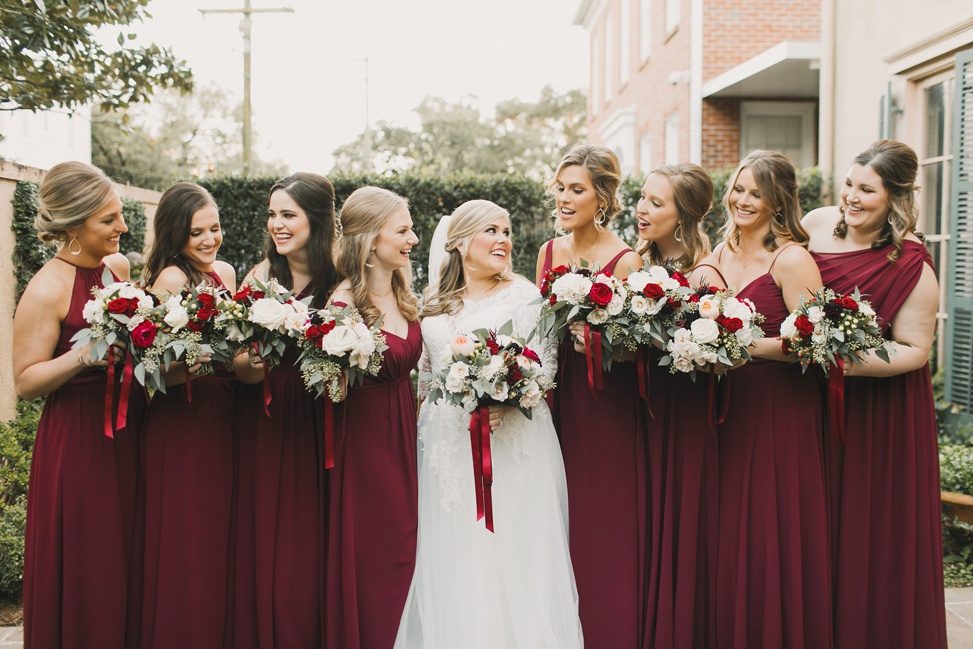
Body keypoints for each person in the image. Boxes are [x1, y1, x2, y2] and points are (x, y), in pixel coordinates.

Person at [395, 200, 583, 648]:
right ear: (460, 243)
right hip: (445, 448)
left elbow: (546, 367)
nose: (504, 239)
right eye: (491, 231)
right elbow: (422, 377)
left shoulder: (524, 296)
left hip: (508, 444)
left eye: (506, 231)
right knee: (454, 555)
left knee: (508, 553)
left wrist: (510, 399)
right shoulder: (432, 303)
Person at [803, 140, 946, 648]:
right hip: (804, 402)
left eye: (867, 190)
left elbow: (915, 350)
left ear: (895, 199)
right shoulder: (816, 224)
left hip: (877, 412)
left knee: (865, 531)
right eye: (849, 184)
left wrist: (841, 359)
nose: (852, 198)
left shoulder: (911, 264)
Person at [15, 161, 146, 648]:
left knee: (125, 557)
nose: (122, 227)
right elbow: (26, 382)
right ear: (74, 224)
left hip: (128, 433)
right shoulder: (47, 288)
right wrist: (80, 358)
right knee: (88, 562)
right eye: (108, 220)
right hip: (77, 444)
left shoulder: (117, 270)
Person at [713, 150, 833, 647]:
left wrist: (746, 347)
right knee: (727, 531)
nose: (743, 199)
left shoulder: (792, 259)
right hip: (724, 408)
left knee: (769, 530)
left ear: (777, 200)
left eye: (756, 193)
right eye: (739, 188)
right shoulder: (717, 253)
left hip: (779, 410)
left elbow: (816, 341)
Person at [534, 144, 645, 648]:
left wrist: (597, 341)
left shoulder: (626, 259)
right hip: (556, 402)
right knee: (556, 515)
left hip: (605, 406)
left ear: (602, 196)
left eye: (576, 189)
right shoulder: (548, 252)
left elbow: (634, 347)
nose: (563, 198)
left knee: (600, 521)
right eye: (560, 188)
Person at [229, 173, 338, 648]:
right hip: (267, 420)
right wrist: (253, 363)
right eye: (272, 215)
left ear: (316, 219)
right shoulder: (259, 276)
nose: (277, 224)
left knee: (313, 540)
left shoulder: (341, 277)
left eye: (288, 215)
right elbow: (236, 365)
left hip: (323, 418)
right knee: (268, 536)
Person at [138, 183, 237, 648]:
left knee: (218, 540)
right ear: (175, 234)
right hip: (184, 423)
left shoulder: (225, 273)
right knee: (188, 540)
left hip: (223, 416)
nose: (208, 240)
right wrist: (209, 360)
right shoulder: (171, 281)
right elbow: (152, 374)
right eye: (196, 232)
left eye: (214, 228)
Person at [325, 187, 421, 648]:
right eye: (403, 230)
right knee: (379, 555)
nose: (413, 239)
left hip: (405, 435)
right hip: (364, 449)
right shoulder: (342, 305)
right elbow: (329, 388)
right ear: (369, 239)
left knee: (408, 550)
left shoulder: (402, 291)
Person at [635, 164, 724, 649]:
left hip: (685, 414)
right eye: (642, 198)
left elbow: (719, 357)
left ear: (684, 215)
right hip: (641, 411)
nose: (642, 209)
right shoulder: (636, 264)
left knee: (683, 520)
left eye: (656, 202)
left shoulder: (705, 274)